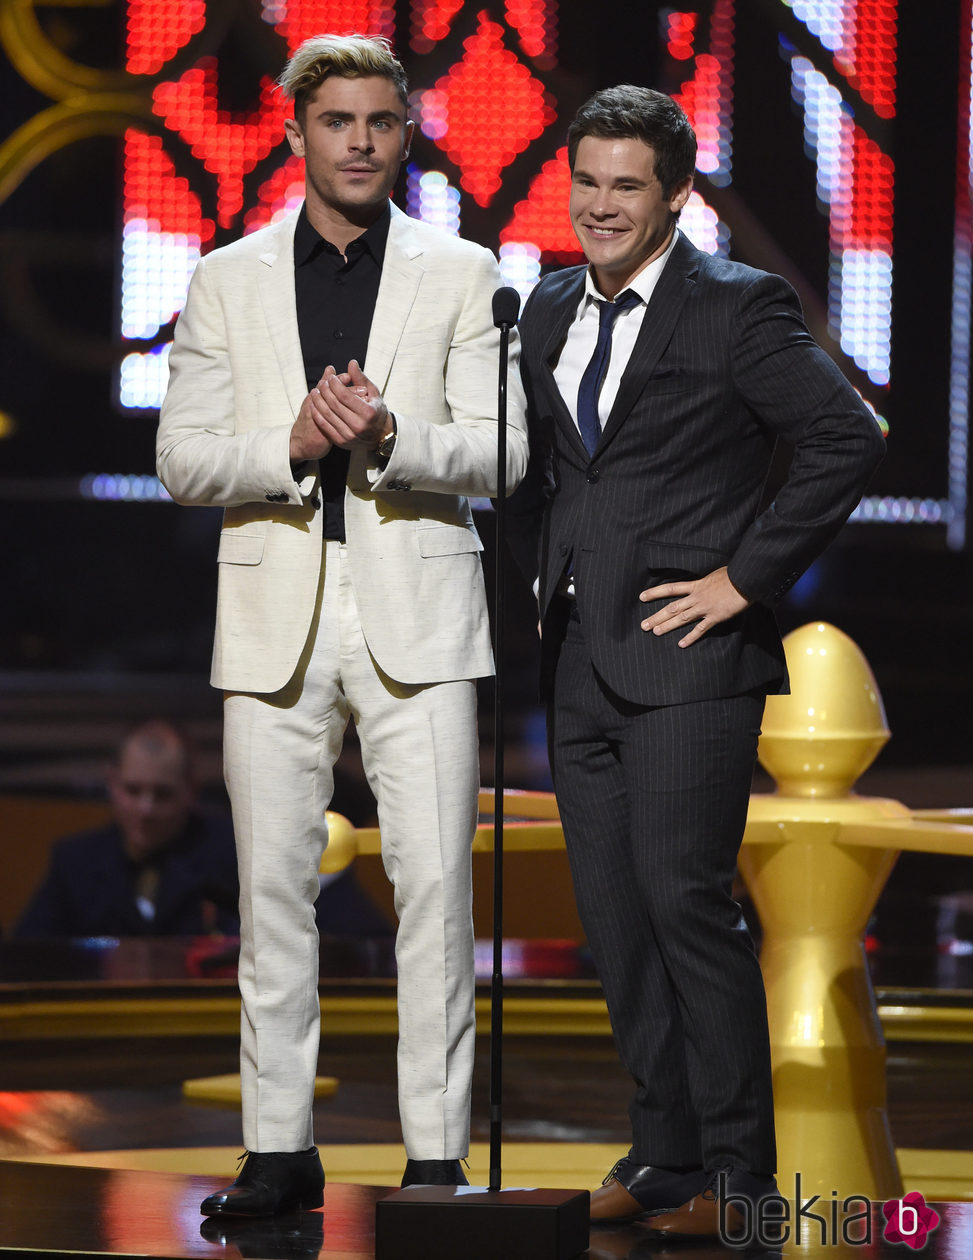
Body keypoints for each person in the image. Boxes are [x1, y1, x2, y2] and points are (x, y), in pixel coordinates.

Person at [156, 33, 527, 1217]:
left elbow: (505, 449)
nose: (359, 140)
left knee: (434, 894)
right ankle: (278, 1150)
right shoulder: (225, 277)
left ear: (405, 132)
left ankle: (433, 1156)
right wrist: (296, 444)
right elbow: (179, 458)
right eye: (337, 122)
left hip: (416, 606)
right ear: (296, 134)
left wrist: (389, 438)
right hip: (274, 611)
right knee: (271, 891)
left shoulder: (465, 272)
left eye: (379, 121)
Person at [507, 85, 885, 1239]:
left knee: (683, 907)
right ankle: (663, 1152)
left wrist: (742, 580)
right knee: (615, 919)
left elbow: (842, 436)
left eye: (628, 187)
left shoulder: (734, 305)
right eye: (587, 182)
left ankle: (740, 1182)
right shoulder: (545, 307)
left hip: (689, 659)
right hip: (575, 657)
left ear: (673, 196)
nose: (602, 206)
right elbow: (557, 473)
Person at [14, 721, 239, 939]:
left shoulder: (230, 854)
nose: (146, 809)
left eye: (162, 794)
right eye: (133, 790)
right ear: (112, 783)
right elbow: (28, 953)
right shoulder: (75, 862)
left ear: (191, 790)